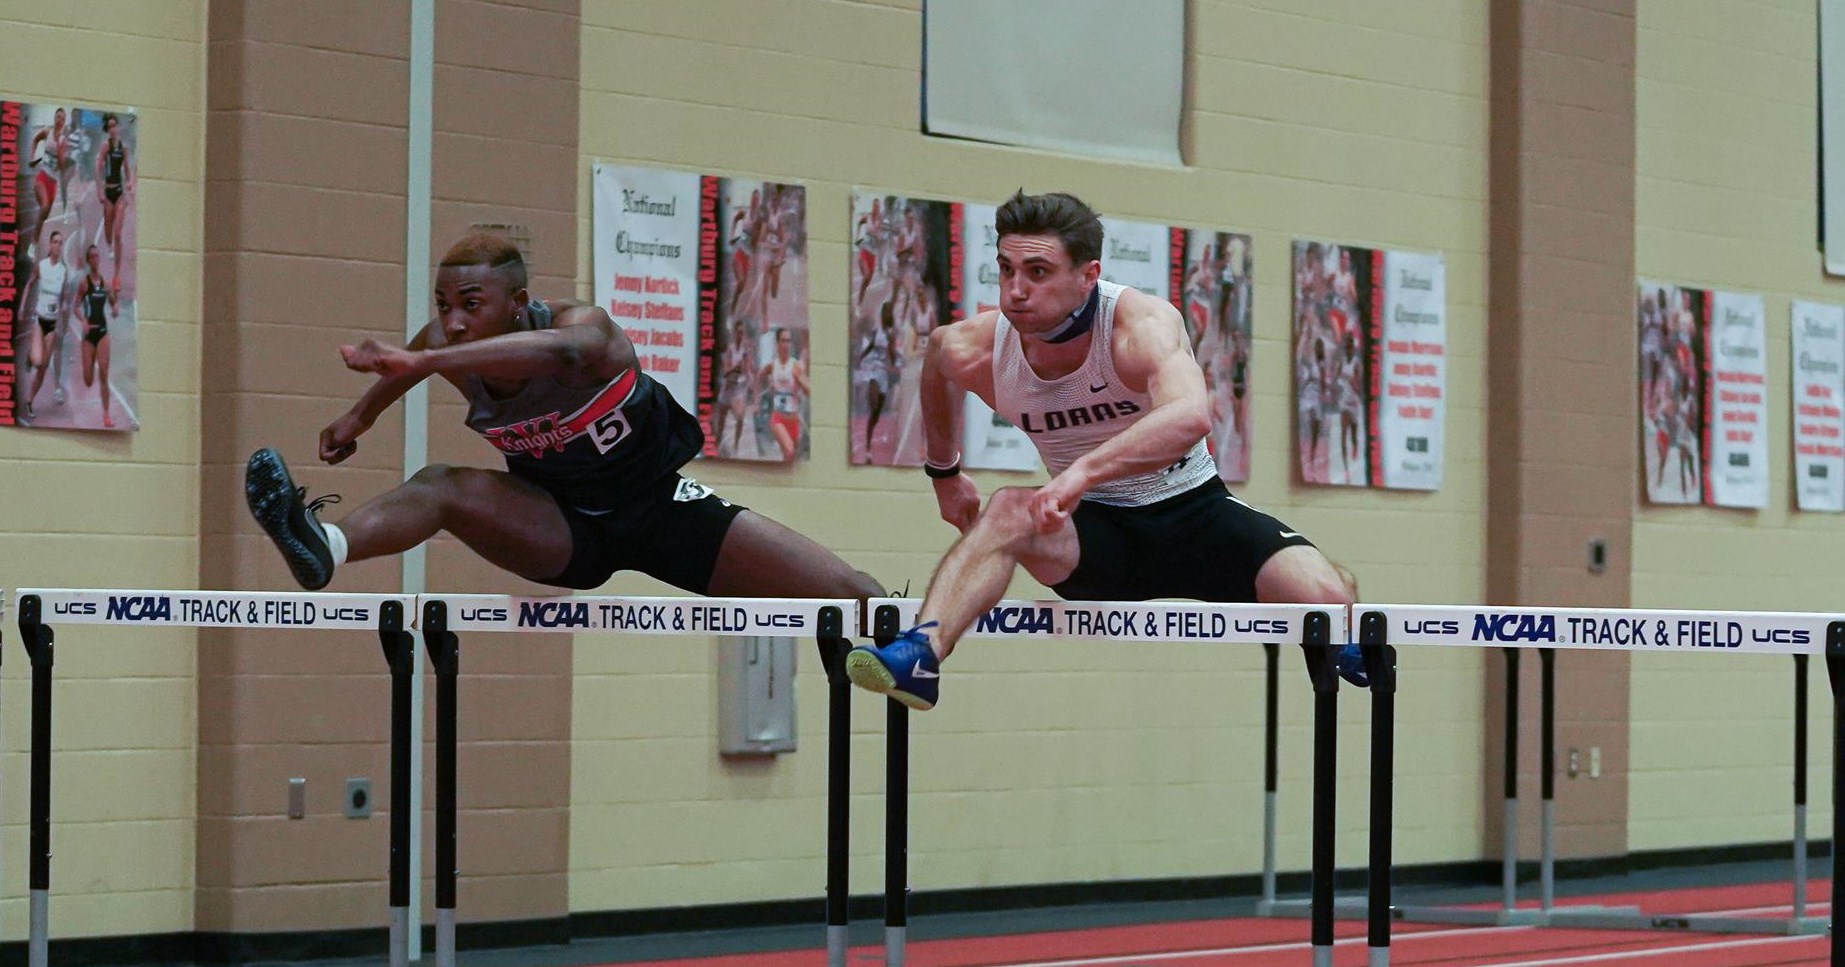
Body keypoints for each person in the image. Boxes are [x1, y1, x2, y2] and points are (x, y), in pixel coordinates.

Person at [844, 191, 1355, 710]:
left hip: (1194, 515)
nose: (1016, 290)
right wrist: (944, 472)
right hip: (1093, 535)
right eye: (1006, 269)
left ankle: (1340, 598)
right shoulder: (974, 347)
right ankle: (921, 656)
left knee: (1329, 600)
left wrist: (1080, 473)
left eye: (1038, 272)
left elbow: (1190, 416)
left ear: (1088, 275)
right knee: (1009, 508)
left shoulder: (1139, 325)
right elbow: (936, 363)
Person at [245, 231, 882, 602]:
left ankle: (912, 659)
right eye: (444, 305)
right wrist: (361, 416)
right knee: (440, 485)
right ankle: (327, 545)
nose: (454, 321)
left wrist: (426, 361)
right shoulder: (442, 345)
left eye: (471, 303)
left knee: (848, 593)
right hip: (559, 526)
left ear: (519, 302)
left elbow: (563, 354)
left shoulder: (585, 330)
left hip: (661, 512)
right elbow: (411, 364)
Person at [17, 229, 72, 420]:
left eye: (60, 242)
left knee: (43, 368)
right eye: (55, 242)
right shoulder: (41, 266)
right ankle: (30, 356)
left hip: (52, 324)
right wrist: (22, 306)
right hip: (39, 320)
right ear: (50, 244)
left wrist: (63, 305)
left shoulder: (63, 271)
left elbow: (63, 295)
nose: (58, 245)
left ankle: (29, 402)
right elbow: (29, 284)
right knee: (38, 360)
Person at [75, 245, 119, 428]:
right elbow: (75, 307)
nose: (95, 259)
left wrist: (115, 308)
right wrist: (83, 321)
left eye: (97, 256)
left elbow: (113, 302)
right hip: (88, 335)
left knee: (104, 373)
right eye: (92, 257)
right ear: (88, 260)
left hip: (102, 333)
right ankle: (87, 361)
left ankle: (106, 415)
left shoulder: (105, 284)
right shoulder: (84, 283)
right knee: (88, 380)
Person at [96, 112, 133, 285]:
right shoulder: (105, 146)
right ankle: (109, 245)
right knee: (108, 229)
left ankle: (116, 275)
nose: (113, 129)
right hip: (108, 192)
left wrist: (130, 183)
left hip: (119, 194)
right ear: (107, 129)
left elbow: (126, 170)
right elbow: (98, 169)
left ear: (118, 127)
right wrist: (99, 191)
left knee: (118, 233)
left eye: (114, 125)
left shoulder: (123, 148)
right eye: (109, 126)